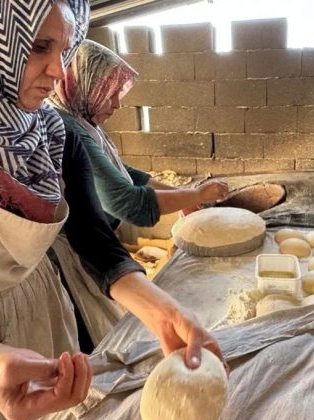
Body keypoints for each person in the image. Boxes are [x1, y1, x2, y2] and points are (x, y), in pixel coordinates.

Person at [0, 1, 224, 419]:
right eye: (39, 47)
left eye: (62, 50)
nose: (59, 71)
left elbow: (96, 245)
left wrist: (167, 313)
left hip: (42, 305)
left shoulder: (53, 133)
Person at [45, 39, 230, 347]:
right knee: (92, 338)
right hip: (77, 256)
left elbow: (125, 173)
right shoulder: (67, 129)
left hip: (95, 249)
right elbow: (127, 203)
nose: (118, 103)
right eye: (111, 93)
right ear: (86, 84)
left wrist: (184, 194)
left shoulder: (82, 120)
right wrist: (196, 194)